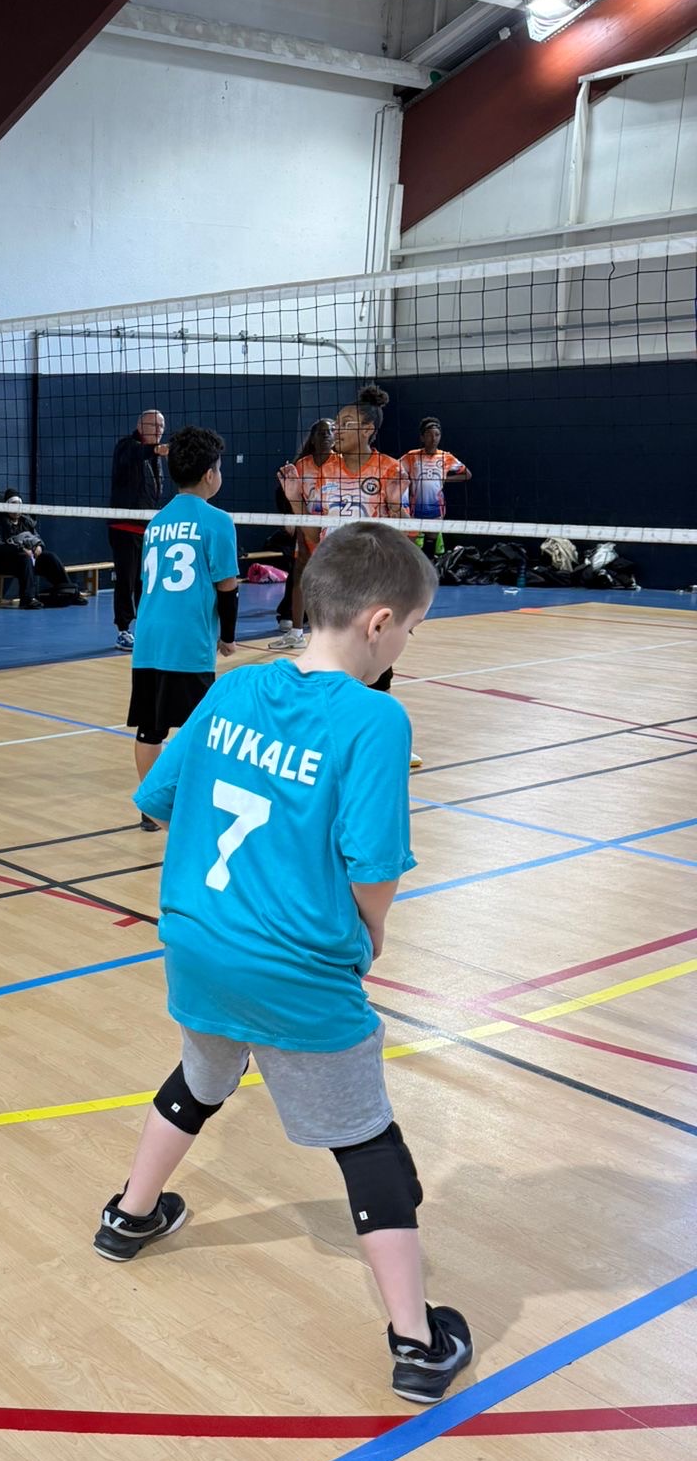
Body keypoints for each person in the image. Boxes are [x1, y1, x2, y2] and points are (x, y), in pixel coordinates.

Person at [95, 521, 472, 1406]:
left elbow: (157, 796)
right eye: (413, 630)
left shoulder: (232, 689)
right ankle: (417, 1342)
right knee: (366, 1138)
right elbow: (373, 865)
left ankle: (130, 1216)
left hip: (198, 945)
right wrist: (368, 936)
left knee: (202, 1074)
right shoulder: (376, 719)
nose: (405, 647)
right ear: (379, 622)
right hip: (293, 967)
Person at [277, 384, 419, 766]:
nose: (337, 430)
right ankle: (329, 741)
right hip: (334, 581)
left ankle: (382, 741)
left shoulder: (390, 469)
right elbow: (311, 538)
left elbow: (410, 533)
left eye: (347, 423)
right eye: (338, 423)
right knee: (332, 663)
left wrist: (395, 505)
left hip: (375, 579)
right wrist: (296, 501)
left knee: (376, 667)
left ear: (369, 428)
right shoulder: (324, 472)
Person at [128, 426, 239, 834]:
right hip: (188, 642)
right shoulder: (217, 521)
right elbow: (227, 587)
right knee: (201, 730)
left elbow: (143, 584)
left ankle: (150, 808)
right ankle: (196, 808)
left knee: (150, 729)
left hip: (148, 640)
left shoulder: (156, 522)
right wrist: (228, 636)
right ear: (210, 474)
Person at [265, 418, 334, 651]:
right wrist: (293, 523)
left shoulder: (342, 464)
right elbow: (288, 496)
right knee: (300, 576)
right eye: (322, 432)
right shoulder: (302, 466)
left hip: (334, 529)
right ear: (313, 438)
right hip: (307, 526)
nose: (328, 435)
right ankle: (296, 633)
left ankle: (330, 634)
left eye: (332, 431)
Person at [108, 409, 169, 650]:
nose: (159, 430)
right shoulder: (126, 446)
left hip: (146, 530)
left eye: (162, 426)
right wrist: (157, 450)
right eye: (154, 425)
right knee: (126, 579)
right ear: (140, 426)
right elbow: (136, 453)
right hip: (124, 527)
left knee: (146, 582)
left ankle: (145, 627)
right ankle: (123, 630)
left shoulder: (155, 455)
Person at [0, 490, 83, 609]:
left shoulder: (26, 521)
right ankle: (28, 599)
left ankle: (70, 592)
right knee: (25, 559)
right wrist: (19, 549)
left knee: (50, 557)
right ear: (7, 507)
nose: (16, 509)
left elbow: (37, 538)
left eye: (18, 505)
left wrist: (39, 546)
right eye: (13, 505)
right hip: (8, 561)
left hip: (31, 559)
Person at [399, 418, 470, 559]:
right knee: (412, 546)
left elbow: (467, 475)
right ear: (422, 437)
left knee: (430, 546)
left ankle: (431, 567)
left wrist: (445, 479)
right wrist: (404, 483)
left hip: (436, 507)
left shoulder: (445, 457)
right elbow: (394, 469)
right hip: (415, 507)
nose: (433, 439)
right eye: (429, 435)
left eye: (437, 435)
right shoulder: (412, 456)